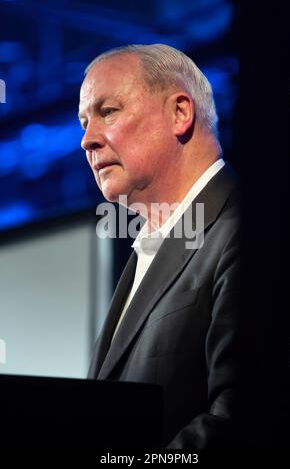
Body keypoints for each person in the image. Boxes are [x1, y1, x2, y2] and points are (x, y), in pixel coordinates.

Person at [78, 44, 241, 448]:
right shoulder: (145, 252)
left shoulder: (243, 229)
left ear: (180, 113)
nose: (87, 140)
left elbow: (241, 418)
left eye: (108, 111)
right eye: (83, 121)